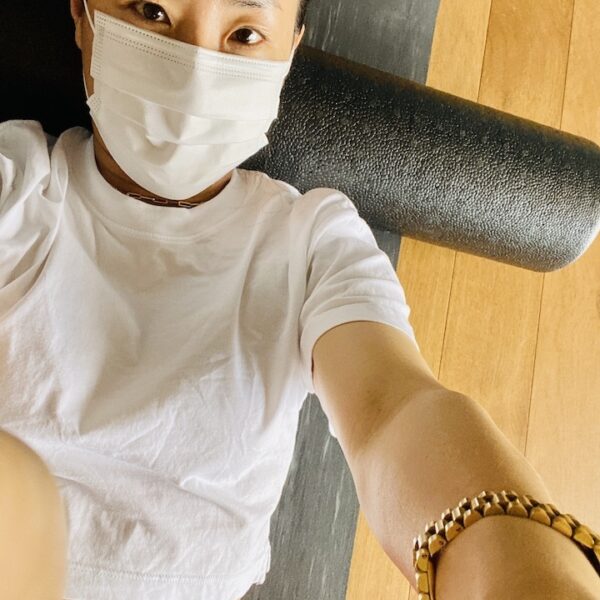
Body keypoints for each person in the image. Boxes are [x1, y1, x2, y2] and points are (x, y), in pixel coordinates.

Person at [0, 0, 420, 598]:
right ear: (81, 15)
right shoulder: (18, 187)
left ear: (290, 50)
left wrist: (496, 536)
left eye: (245, 34)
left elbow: (394, 410)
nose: (194, 70)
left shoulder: (310, 243)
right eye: (152, 10)